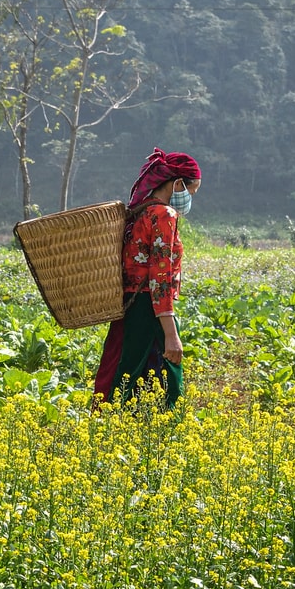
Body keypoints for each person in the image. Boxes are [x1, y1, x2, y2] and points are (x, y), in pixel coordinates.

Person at [92, 147, 202, 408]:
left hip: (130, 305)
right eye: (190, 191)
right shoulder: (164, 214)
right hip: (149, 307)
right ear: (177, 184)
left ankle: (111, 424)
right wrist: (171, 333)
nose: (189, 198)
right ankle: (163, 430)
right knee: (168, 370)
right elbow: (159, 276)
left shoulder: (139, 212)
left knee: (127, 368)